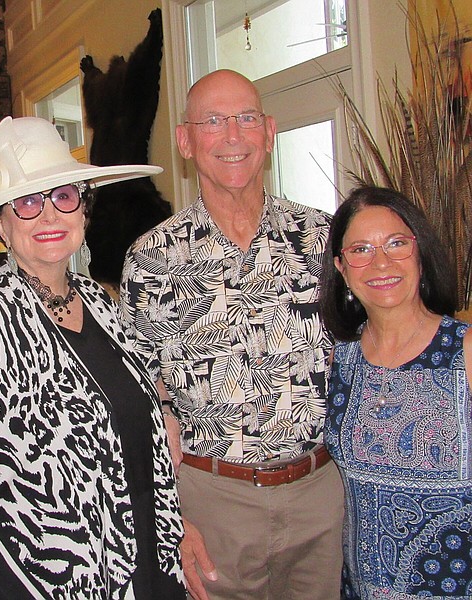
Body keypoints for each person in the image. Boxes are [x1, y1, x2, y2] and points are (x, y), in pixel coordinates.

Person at [0, 115, 187, 599]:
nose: (49, 216)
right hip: (42, 570)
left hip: (142, 541)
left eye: (63, 196)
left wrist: (164, 410)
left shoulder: (100, 302)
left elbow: (140, 377)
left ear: (84, 209)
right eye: (27, 202)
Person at [119, 69, 344, 600]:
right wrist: (171, 518)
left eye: (245, 119)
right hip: (213, 501)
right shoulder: (152, 260)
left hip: (320, 497)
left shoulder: (324, 239)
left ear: (268, 131)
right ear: (186, 140)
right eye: (213, 122)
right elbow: (140, 402)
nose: (233, 136)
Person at [320, 186, 471, 598]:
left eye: (396, 244)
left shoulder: (466, 352)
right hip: (362, 586)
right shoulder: (342, 360)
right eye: (361, 250)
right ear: (342, 268)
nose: (381, 262)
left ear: (420, 253)